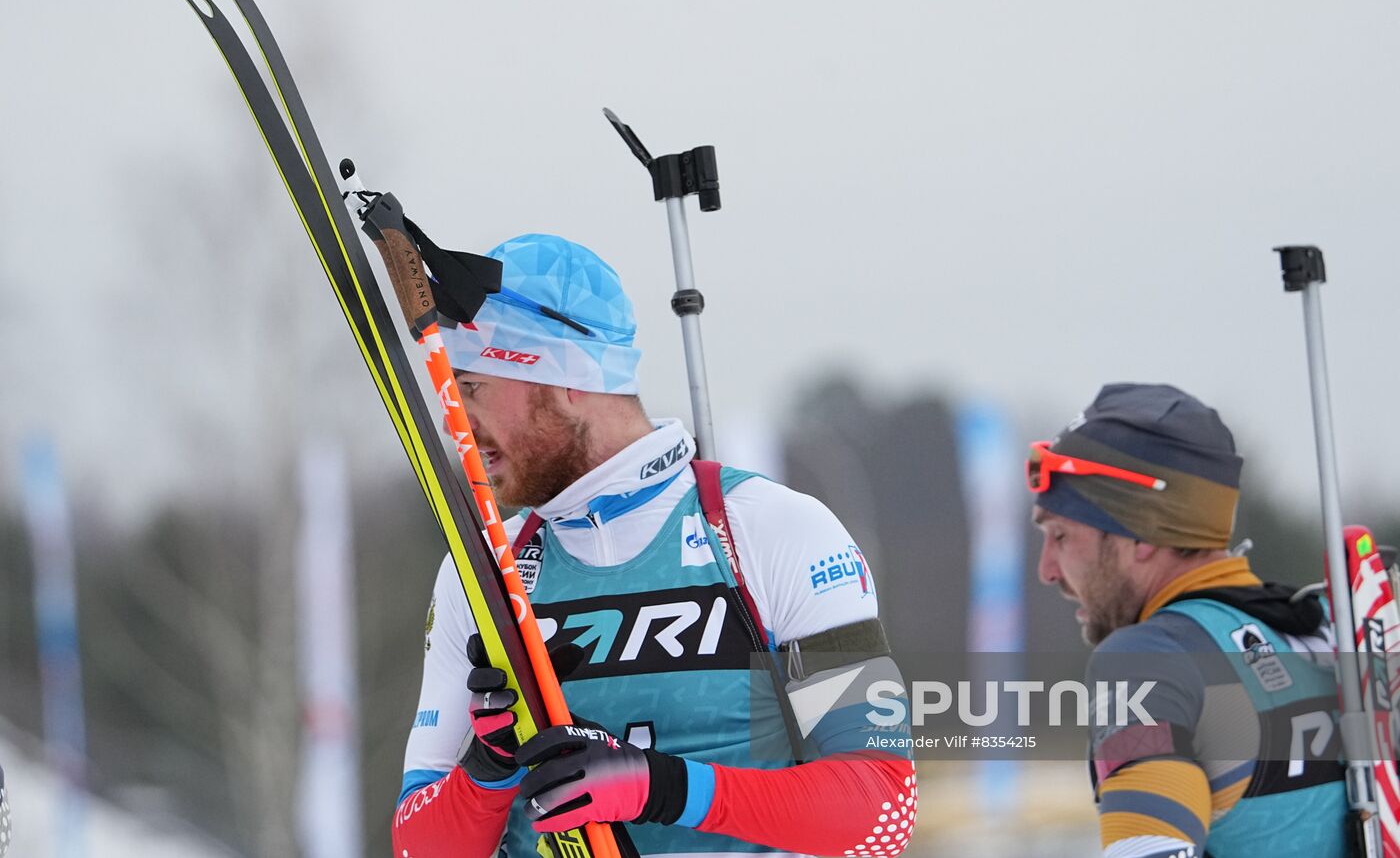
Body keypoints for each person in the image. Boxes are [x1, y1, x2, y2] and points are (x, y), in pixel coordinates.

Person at [392, 234, 915, 858]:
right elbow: (418, 847)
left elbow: (882, 809)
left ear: (568, 379)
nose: (457, 421)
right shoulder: (480, 573)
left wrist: (663, 787)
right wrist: (487, 768)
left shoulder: (773, 531)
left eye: (473, 386)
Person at [1028, 383, 1346, 858]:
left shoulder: (1150, 661)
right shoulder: (1330, 626)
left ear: (1142, 536)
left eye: (1061, 536)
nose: (1047, 571)